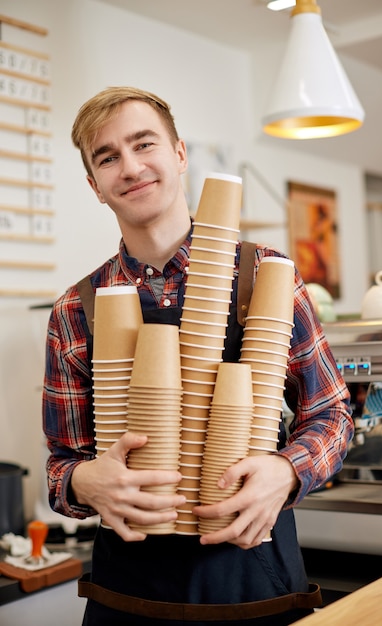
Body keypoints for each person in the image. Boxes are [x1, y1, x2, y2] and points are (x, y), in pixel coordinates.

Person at [42, 86, 354, 626]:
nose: (131, 167)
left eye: (144, 144)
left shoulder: (267, 276)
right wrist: (80, 483)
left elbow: (331, 414)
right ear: (95, 186)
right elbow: (61, 462)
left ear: (180, 153)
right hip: (129, 596)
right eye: (108, 157)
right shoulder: (75, 309)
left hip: (255, 586)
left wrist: (285, 470)